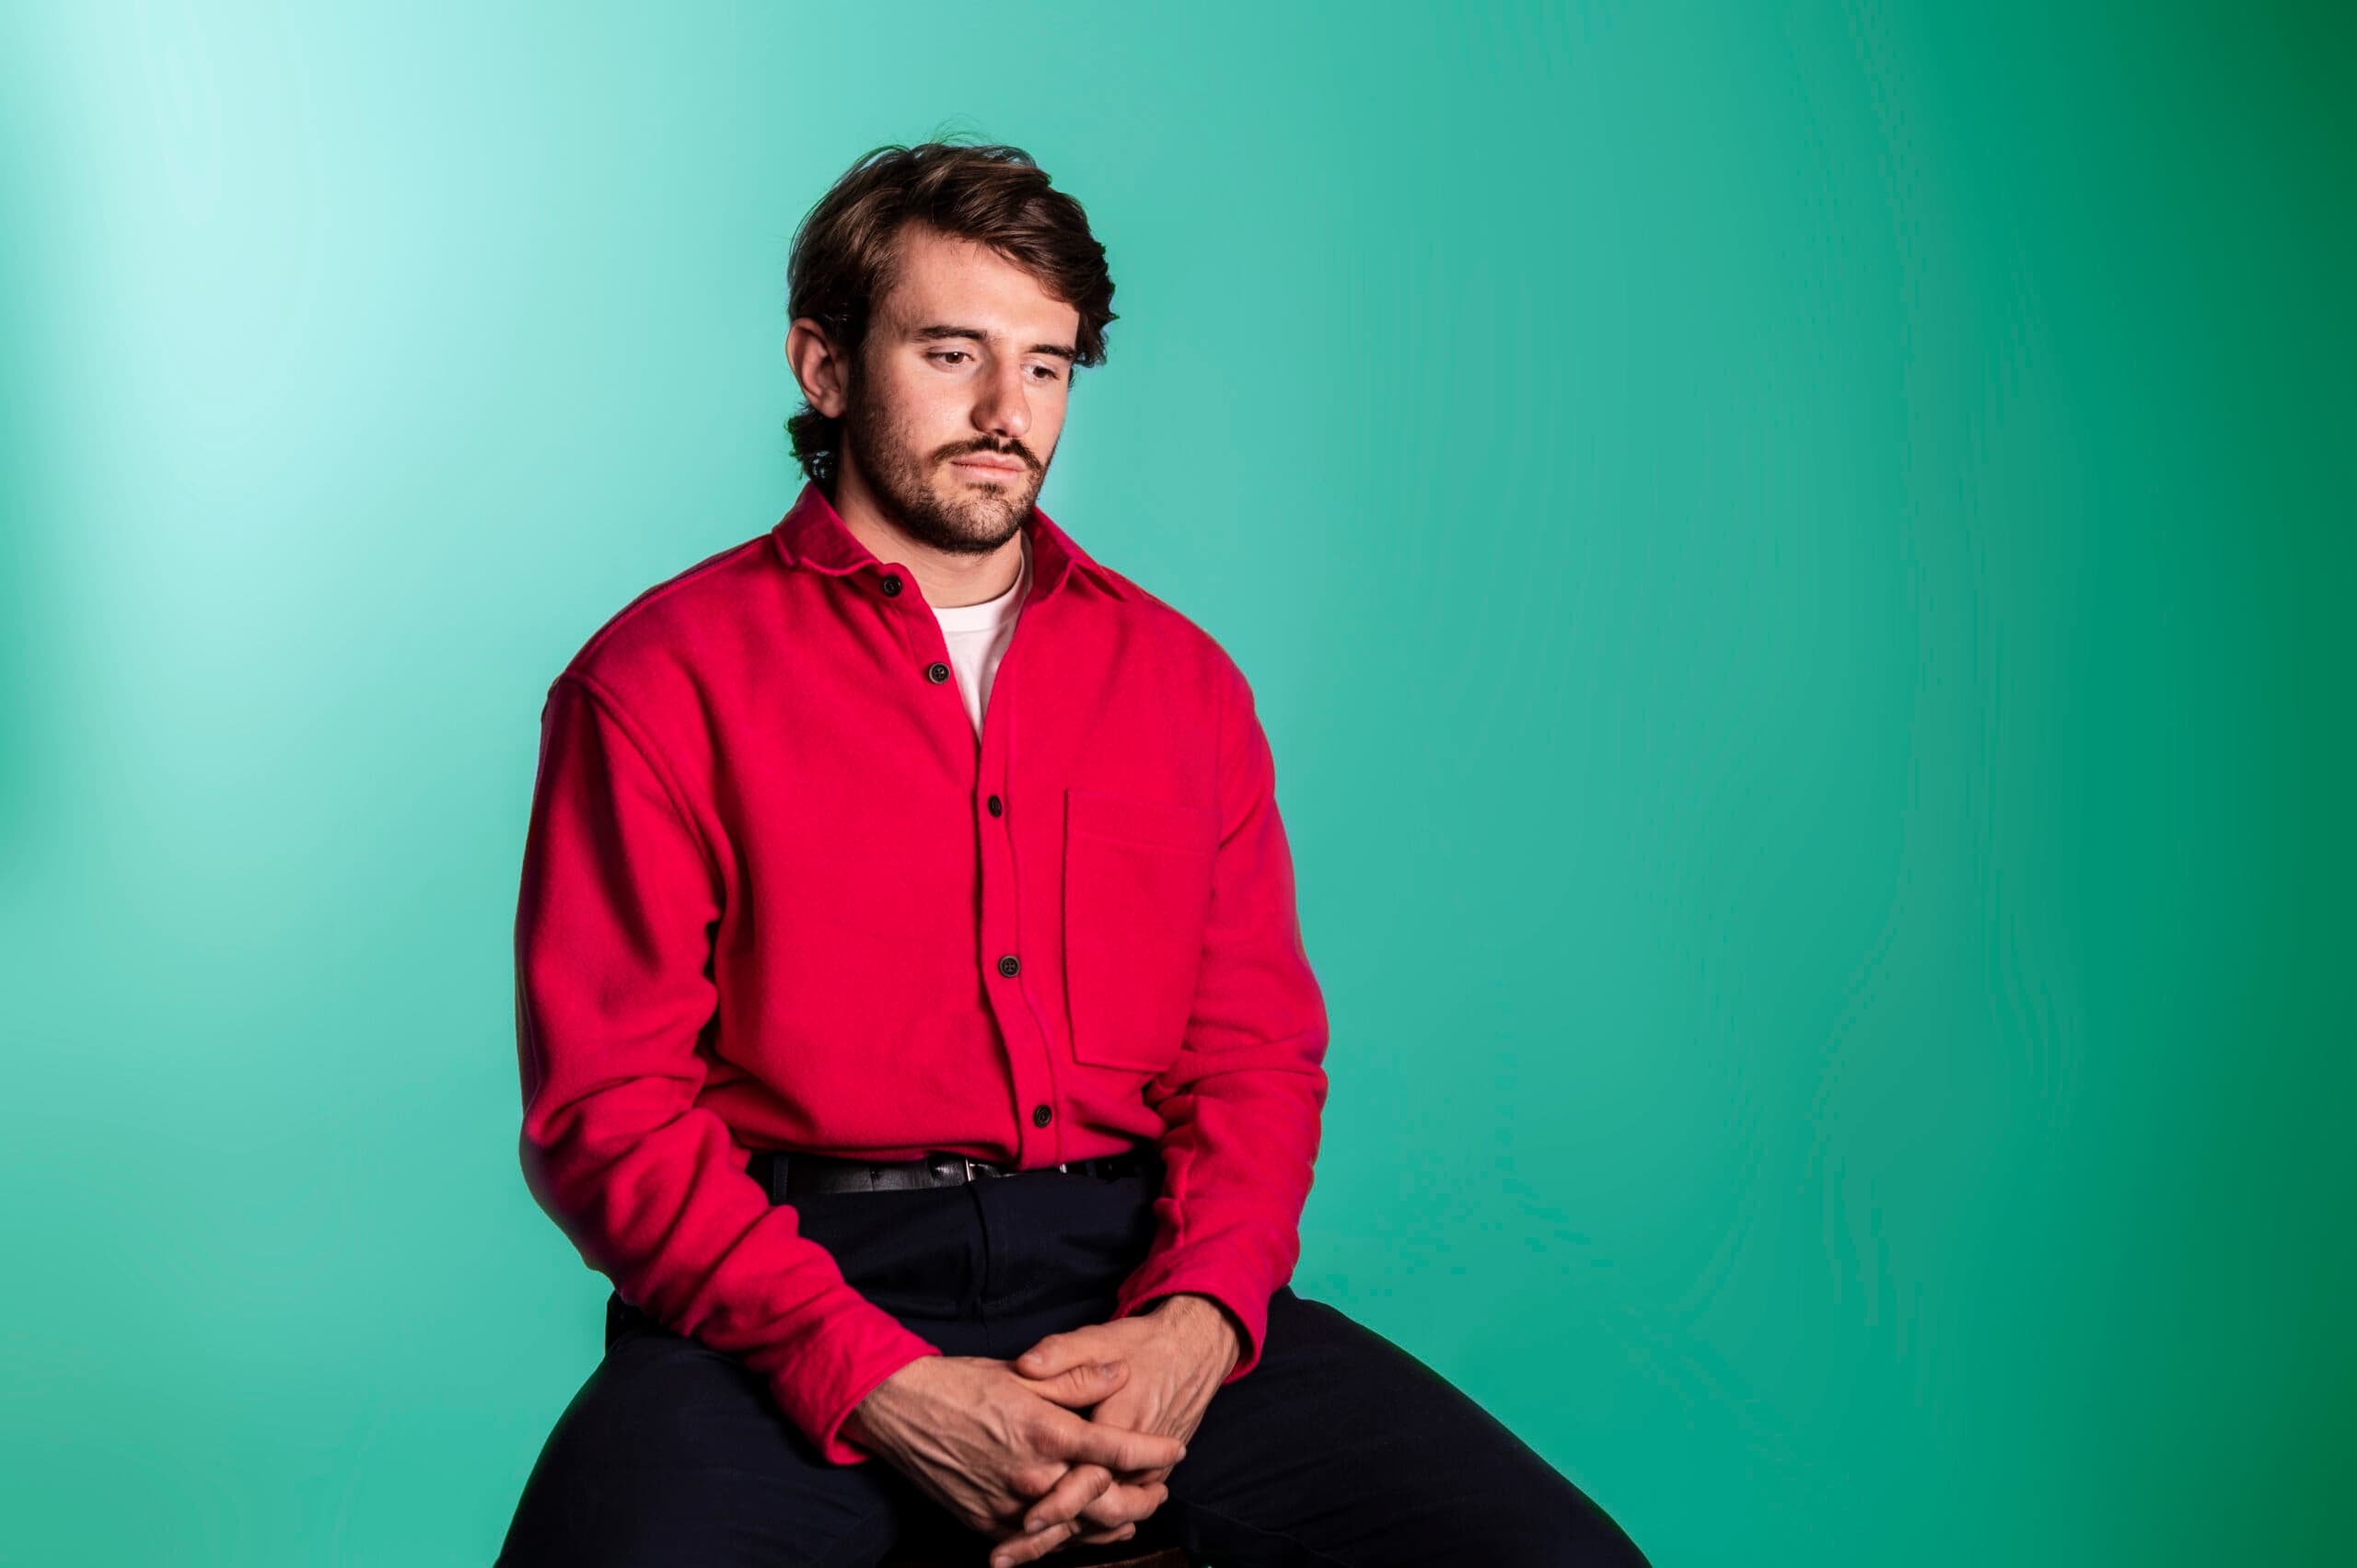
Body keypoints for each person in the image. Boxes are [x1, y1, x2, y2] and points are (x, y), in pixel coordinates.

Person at [497, 137, 1650, 1568]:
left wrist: (1196, 1325)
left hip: (1128, 1274)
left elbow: (1251, 1060)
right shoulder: (657, 680)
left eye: (1046, 366)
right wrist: (874, 1378)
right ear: (824, 365)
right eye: (951, 351)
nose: (1005, 412)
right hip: (782, 1290)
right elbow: (606, 1115)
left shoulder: (1182, 684)